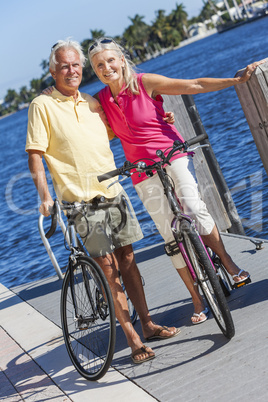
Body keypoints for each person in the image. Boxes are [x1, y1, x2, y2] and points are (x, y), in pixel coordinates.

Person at [87, 38, 264, 324]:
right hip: (141, 170)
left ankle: (229, 263)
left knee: (192, 207)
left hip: (171, 153)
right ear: (95, 71)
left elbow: (193, 85)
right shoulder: (101, 101)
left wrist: (235, 80)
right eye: (99, 65)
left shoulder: (145, 83)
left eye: (110, 61)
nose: (106, 68)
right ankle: (197, 299)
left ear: (121, 59)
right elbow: (84, 118)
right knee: (170, 235)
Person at [26, 39, 181, 365]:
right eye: (64, 65)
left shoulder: (93, 102)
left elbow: (125, 126)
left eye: (76, 65)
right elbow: (36, 156)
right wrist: (44, 196)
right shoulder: (42, 106)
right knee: (108, 268)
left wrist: (158, 114)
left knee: (128, 259)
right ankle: (132, 336)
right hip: (80, 201)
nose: (71, 70)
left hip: (114, 192)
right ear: (53, 70)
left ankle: (148, 324)